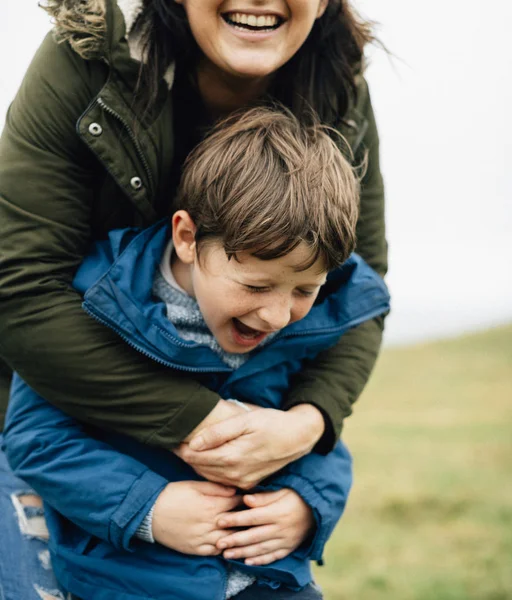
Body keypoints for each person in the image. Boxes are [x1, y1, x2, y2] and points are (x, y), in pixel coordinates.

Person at [3, 107, 390, 600]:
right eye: (256, 285)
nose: (276, 315)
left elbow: (317, 439)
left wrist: (306, 504)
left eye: (303, 290)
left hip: (270, 581)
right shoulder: (98, 304)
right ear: (187, 238)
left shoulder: (308, 325)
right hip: (129, 579)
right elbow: (38, 440)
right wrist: (148, 509)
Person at [0, 0, 387, 479]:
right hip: (62, 422)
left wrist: (306, 424)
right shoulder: (88, 56)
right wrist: (210, 428)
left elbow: (359, 291)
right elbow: (21, 289)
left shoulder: (339, 87)